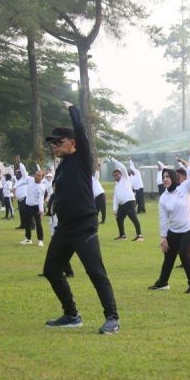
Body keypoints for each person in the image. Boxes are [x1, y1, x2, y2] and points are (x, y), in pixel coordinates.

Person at [42, 101, 120, 334]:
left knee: (95, 271)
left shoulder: (82, 157)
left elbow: (83, 134)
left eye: (58, 142)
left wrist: (73, 110)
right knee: (51, 270)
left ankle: (112, 318)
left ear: (73, 143)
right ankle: (71, 314)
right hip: (64, 228)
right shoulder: (63, 166)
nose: (54, 146)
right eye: (52, 143)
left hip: (84, 226)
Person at [148, 152, 190, 294]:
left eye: (168, 176)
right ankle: (163, 283)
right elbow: (163, 218)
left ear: (174, 177)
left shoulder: (185, 187)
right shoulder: (163, 197)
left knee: (185, 254)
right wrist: (163, 238)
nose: (165, 179)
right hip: (173, 231)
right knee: (168, 256)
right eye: (163, 177)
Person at [111, 158, 143, 241]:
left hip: (129, 201)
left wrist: (113, 159)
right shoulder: (116, 185)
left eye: (117, 174)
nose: (116, 176)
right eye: (114, 175)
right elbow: (115, 197)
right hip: (122, 204)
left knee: (133, 218)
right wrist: (114, 208)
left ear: (121, 174)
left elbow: (123, 167)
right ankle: (122, 235)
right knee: (119, 218)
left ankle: (139, 236)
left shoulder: (125, 178)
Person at [21, 169, 47, 247]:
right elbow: (24, 178)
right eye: (36, 174)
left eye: (39, 176)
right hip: (27, 205)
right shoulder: (30, 179)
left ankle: (40, 240)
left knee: (38, 224)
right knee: (27, 223)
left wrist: (41, 210)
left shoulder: (41, 187)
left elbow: (40, 199)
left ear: (42, 178)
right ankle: (28, 239)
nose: (36, 176)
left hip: (36, 207)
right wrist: (15, 187)